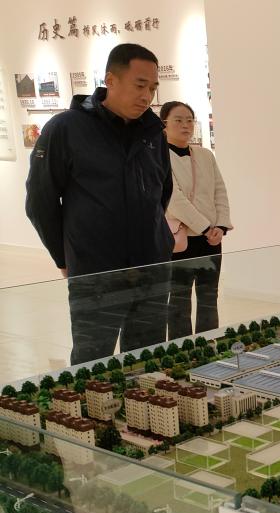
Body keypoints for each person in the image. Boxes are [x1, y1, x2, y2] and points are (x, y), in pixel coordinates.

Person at [26, 43, 173, 364]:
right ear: (110, 80)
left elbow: (162, 191)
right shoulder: (65, 128)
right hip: (96, 271)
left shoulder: (153, 132)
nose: (147, 96)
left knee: (147, 359)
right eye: (139, 85)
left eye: (152, 88)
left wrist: (155, 239)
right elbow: (40, 200)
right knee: (93, 361)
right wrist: (64, 257)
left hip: (151, 265)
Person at [161, 101, 233, 340]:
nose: (185, 125)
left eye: (189, 120)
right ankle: (182, 348)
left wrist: (220, 226)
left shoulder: (205, 155)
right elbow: (174, 199)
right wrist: (205, 227)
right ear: (164, 125)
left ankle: (207, 344)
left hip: (211, 240)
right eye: (178, 120)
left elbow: (219, 191)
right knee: (179, 300)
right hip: (181, 240)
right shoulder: (159, 157)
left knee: (209, 297)